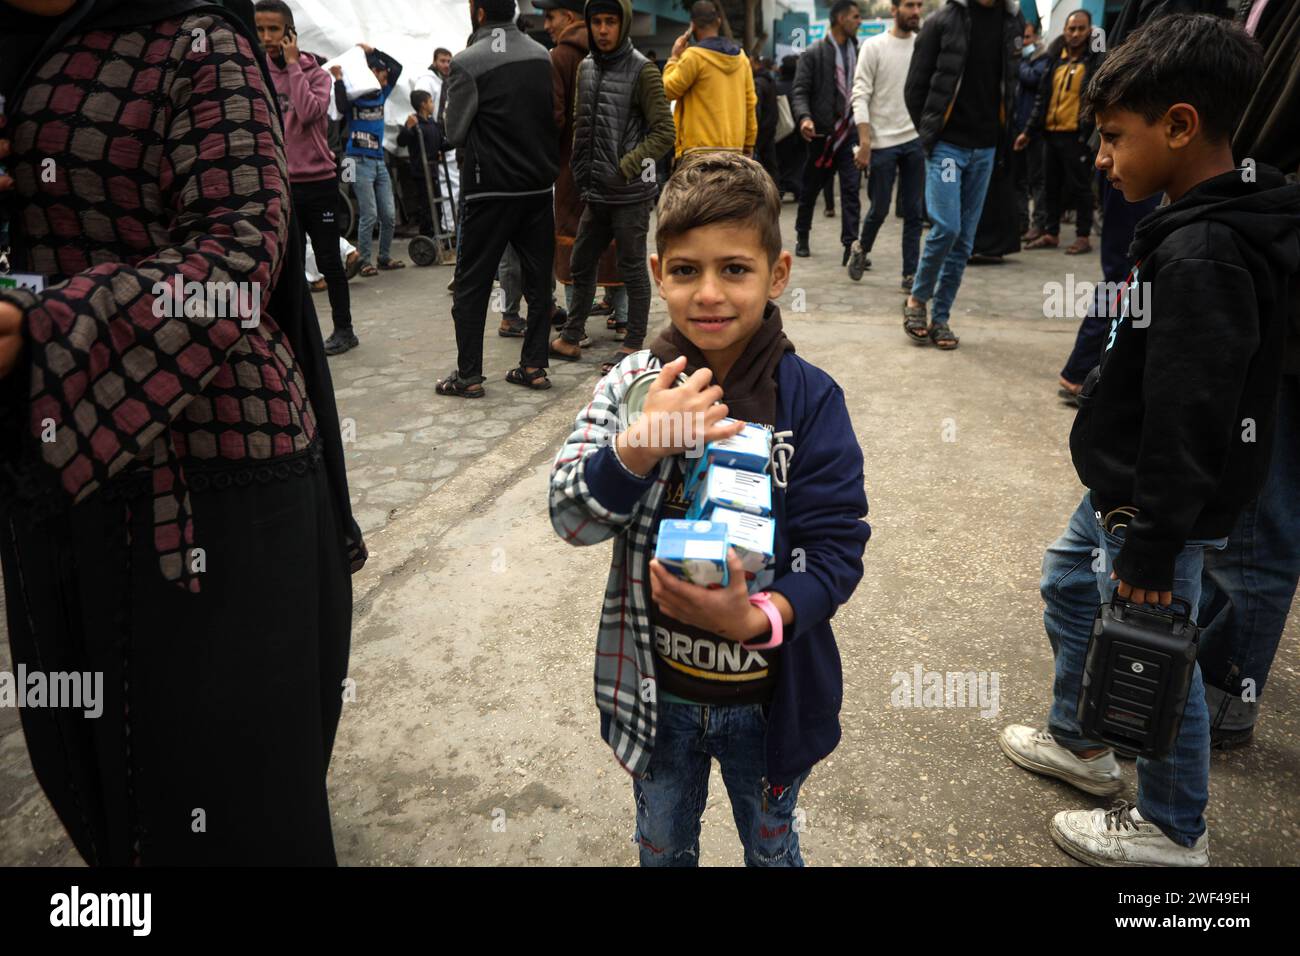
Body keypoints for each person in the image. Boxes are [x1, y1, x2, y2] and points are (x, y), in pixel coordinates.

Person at [0, 0, 364, 865]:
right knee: (92, 785)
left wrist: (48, 325)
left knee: (231, 811)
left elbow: (239, 255)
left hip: (215, 481)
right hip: (54, 474)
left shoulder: (196, 41)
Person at [999, 13, 1300, 866]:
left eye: (1114, 138)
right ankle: (1083, 745)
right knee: (1068, 587)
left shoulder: (1205, 251)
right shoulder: (1188, 220)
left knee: (1155, 651)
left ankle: (1174, 829)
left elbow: (1192, 415)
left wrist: (1153, 554)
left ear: (1179, 126)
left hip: (1158, 508)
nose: (1100, 157)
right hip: (1126, 491)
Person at [548, 152, 871, 867]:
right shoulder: (633, 386)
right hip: (657, 700)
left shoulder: (811, 400)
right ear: (658, 272)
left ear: (777, 274)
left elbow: (838, 547)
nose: (710, 294)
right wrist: (637, 448)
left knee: (772, 846)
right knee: (662, 847)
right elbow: (570, 516)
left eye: (735, 269)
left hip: (770, 704)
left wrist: (758, 617)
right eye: (687, 270)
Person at [435, 0, 559, 398]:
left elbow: (454, 132)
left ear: (479, 12)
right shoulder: (543, 56)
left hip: (489, 190)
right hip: (537, 188)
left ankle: (469, 375)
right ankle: (534, 367)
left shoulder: (466, 63)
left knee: (471, 285)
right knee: (540, 283)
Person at [550, 0, 675, 376]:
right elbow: (579, 123)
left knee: (632, 267)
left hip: (630, 193)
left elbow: (665, 132)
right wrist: (582, 169)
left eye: (611, 22)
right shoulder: (586, 67)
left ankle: (634, 344)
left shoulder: (643, 70)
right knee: (581, 261)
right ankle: (571, 336)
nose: (603, 30)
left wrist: (627, 166)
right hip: (595, 191)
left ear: (624, 24)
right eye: (597, 22)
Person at [902, 0, 1020, 349]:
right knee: (948, 227)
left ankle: (941, 317)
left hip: (985, 147)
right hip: (949, 146)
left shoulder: (1011, 22)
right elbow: (915, 88)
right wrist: (931, 136)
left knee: (966, 240)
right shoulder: (942, 21)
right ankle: (917, 300)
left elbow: (1008, 84)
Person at [255, 0, 359, 356]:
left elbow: (309, 111)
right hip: (280, 185)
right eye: (260, 29)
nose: (266, 37)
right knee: (288, 265)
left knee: (329, 261)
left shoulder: (317, 74)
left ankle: (344, 330)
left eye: (273, 29)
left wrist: (295, 65)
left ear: (289, 33)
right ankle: (298, 335)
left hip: (319, 183)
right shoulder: (258, 73)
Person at [847, 0, 924, 290]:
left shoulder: (922, 47)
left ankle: (910, 274)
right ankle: (861, 249)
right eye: (909, 5)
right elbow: (861, 94)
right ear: (894, 10)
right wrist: (865, 141)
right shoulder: (873, 47)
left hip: (914, 140)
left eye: (919, 5)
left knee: (914, 212)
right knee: (879, 208)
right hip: (881, 143)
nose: (916, 11)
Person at [1014, 9, 1105, 255]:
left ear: (1090, 31)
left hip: (1076, 136)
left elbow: (1102, 76)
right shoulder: (1055, 60)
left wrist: (1099, 37)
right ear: (1064, 31)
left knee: (1080, 187)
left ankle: (1083, 236)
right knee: (1050, 185)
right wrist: (1029, 131)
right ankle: (1050, 233)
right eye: (1071, 28)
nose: (1075, 34)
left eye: (1081, 29)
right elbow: (1042, 99)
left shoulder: (1093, 62)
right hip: (1050, 135)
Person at [791, 0, 862, 263]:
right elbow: (799, 91)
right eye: (855, 17)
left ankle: (850, 248)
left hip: (850, 134)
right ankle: (802, 236)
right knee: (810, 190)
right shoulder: (814, 53)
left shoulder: (858, 50)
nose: (859, 21)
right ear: (841, 19)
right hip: (821, 135)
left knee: (852, 190)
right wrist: (805, 118)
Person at [661, 1, 757, 159]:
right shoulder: (742, 59)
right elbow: (750, 104)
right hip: (734, 151)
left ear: (692, 27)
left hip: (699, 153)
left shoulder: (694, 57)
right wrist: (749, 143)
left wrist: (673, 58)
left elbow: (667, 90)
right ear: (718, 21)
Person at [345, 42, 404, 276]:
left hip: (379, 161)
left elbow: (396, 67)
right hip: (356, 160)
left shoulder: (382, 94)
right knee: (368, 214)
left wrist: (374, 51)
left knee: (389, 215)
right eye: (380, 72)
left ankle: (384, 257)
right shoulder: (353, 97)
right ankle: (365, 261)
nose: (385, 76)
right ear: (370, 74)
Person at [410, 46, 459, 235]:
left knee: (453, 185)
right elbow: (421, 105)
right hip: (434, 138)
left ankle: (451, 226)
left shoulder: (447, 81)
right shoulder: (427, 81)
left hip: (445, 136)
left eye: (448, 61)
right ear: (434, 61)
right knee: (444, 188)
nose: (446, 65)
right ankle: (446, 228)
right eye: (442, 61)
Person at [1013, 19, 1051, 243]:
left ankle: (1039, 223)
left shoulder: (1042, 60)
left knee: (1037, 180)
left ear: (1035, 37)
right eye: (1021, 38)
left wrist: (1018, 63)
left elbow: (1032, 79)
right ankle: (1021, 222)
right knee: (1019, 180)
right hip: (1017, 129)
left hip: (1034, 131)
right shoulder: (1024, 61)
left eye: (1027, 37)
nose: (1024, 42)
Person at [395, 89, 443, 239]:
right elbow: (401, 141)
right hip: (421, 172)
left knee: (437, 206)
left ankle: (438, 234)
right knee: (426, 207)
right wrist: (407, 128)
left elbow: (440, 142)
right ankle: (427, 236)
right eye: (430, 101)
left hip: (433, 170)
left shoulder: (432, 123)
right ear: (423, 104)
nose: (432, 105)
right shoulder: (414, 123)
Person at [774, 55, 804, 201]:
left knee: (781, 160)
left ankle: (781, 187)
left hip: (781, 132)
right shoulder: (801, 88)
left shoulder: (776, 87)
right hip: (800, 131)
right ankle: (797, 187)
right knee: (799, 161)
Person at [752, 54, 780, 186]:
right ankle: (775, 192)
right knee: (771, 163)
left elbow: (756, 109)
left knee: (759, 163)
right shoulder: (770, 80)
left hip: (761, 128)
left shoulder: (758, 82)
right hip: (770, 126)